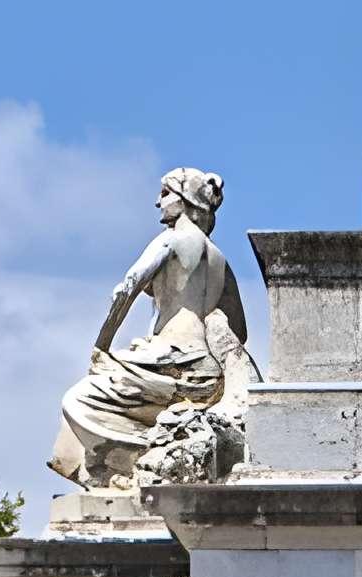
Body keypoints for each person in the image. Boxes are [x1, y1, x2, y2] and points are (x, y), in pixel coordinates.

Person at [53, 168, 258, 492]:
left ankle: (132, 473)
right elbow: (240, 329)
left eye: (165, 193)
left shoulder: (172, 239)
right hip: (206, 375)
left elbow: (126, 289)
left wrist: (100, 349)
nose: (157, 202)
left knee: (78, 400)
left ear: (187, 199)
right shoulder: (220, 260)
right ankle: (158, 464)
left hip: (168, 360)